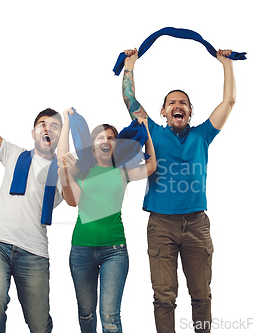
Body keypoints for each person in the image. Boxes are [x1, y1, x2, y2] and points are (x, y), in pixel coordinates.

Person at [121, 48, 236, 333]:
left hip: (197, 223)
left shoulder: (202, 134)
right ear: (163, 111)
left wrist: (227, 64)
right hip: (161, 224)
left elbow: (229, 101)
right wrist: (130, 66)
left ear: (189, 111)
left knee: (201, 296)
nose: (178, 105)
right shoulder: (153, 132)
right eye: (171, 102)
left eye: (183, 103)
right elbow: (129, 98)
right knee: (164, 298)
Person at [0, 58, 65, 333]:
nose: (48, 129)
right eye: (42, 124)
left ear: (60, 137)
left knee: (39, 325)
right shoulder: (13, 154)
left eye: (55, 126)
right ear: (33, 132)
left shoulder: (66, 171)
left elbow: (74, 198)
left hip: (34, 252)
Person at [56, 108, 156, 333]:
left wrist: (147, 130)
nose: (106, 140)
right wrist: (66, 123)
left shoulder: (122, 170)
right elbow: (62, 160)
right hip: (81, 249)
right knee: (86, 313)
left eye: (111, 138)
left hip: (114, 250)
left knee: (110, 317)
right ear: (92, 146)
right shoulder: (82, 170)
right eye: (100, 137)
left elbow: (150, 166)